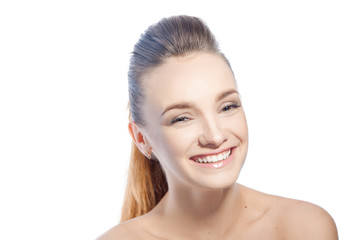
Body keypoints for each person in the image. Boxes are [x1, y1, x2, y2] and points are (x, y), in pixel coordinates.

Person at [98, 15, 338, 239]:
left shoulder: (304, 228)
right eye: (181, 118)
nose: (215, 136)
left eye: (227, 107)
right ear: (141, 138)